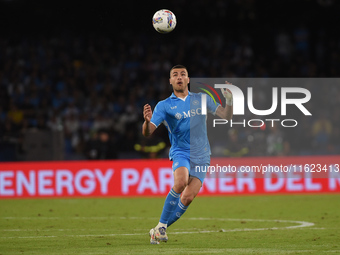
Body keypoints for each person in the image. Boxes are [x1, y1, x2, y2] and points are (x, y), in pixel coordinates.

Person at [142, 65, 233, 244]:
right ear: (170, 81)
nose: (179, 77)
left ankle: (159, 229)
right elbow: (147, 132)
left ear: (188, 79)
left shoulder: (202, 99)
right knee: (181, 182)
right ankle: (161, 227)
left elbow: (226, 116)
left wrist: (229, 101)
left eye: (183, 74)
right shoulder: (164, 106)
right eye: (175, 75)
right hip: (181, 151)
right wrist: (146, 122)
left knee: (188, 197)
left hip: (202, 155)